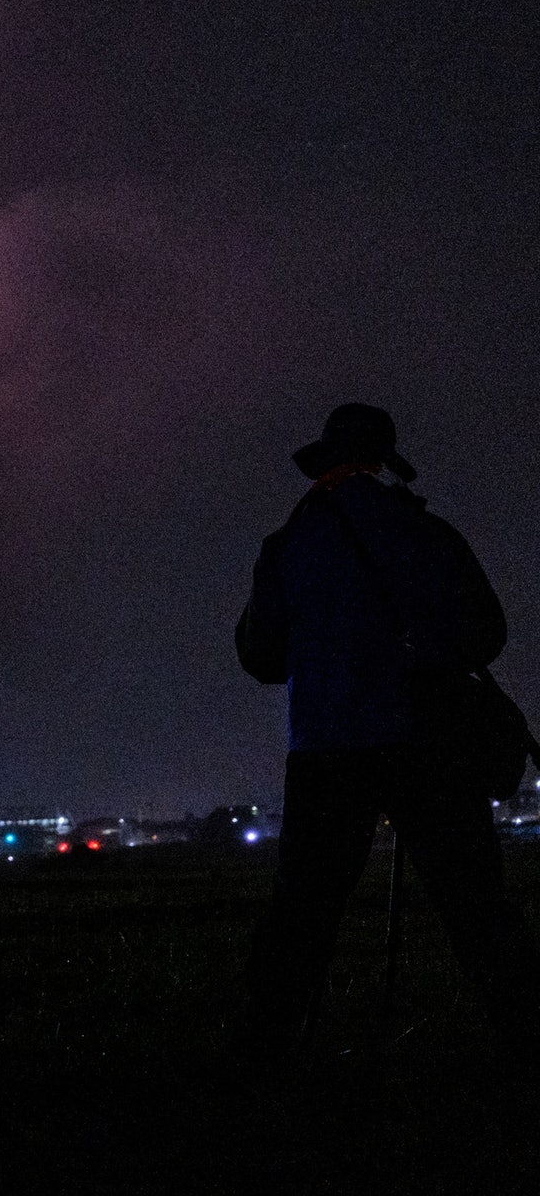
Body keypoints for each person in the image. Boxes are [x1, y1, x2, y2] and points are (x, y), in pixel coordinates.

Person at [235, 402, 538, 1055]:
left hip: (325, 750)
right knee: (477, 907)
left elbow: (259, 655)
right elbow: (487, 632)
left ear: (325, 461)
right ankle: (524, 1035)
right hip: (426, 742)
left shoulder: (287, 545)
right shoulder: (424, 531)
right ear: (381, 463)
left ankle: (262, 1054)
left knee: (303, 912)